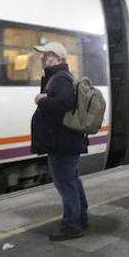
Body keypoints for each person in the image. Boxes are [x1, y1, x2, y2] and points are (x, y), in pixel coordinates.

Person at [30, 41, 89, 240]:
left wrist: (42, 100)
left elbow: (66, 102)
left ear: (60, 59)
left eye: (50, 57)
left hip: (62, 142)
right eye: (44, 57)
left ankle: (72, 226)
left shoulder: (60, 77)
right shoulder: (58, 77)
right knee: (71, 181)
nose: (45, 60)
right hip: (64, 141)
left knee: (65, 184)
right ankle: (80, 218)